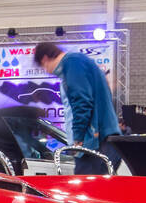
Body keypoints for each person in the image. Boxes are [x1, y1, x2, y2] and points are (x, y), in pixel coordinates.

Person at [33, 42, 120, 174]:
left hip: (94, 142)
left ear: (45, 59)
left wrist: (78, 138)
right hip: (99, 141)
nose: (47, 71)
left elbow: (82, 102)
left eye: (43, 67)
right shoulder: (78, 62)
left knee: (85, 189)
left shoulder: (72, 63)